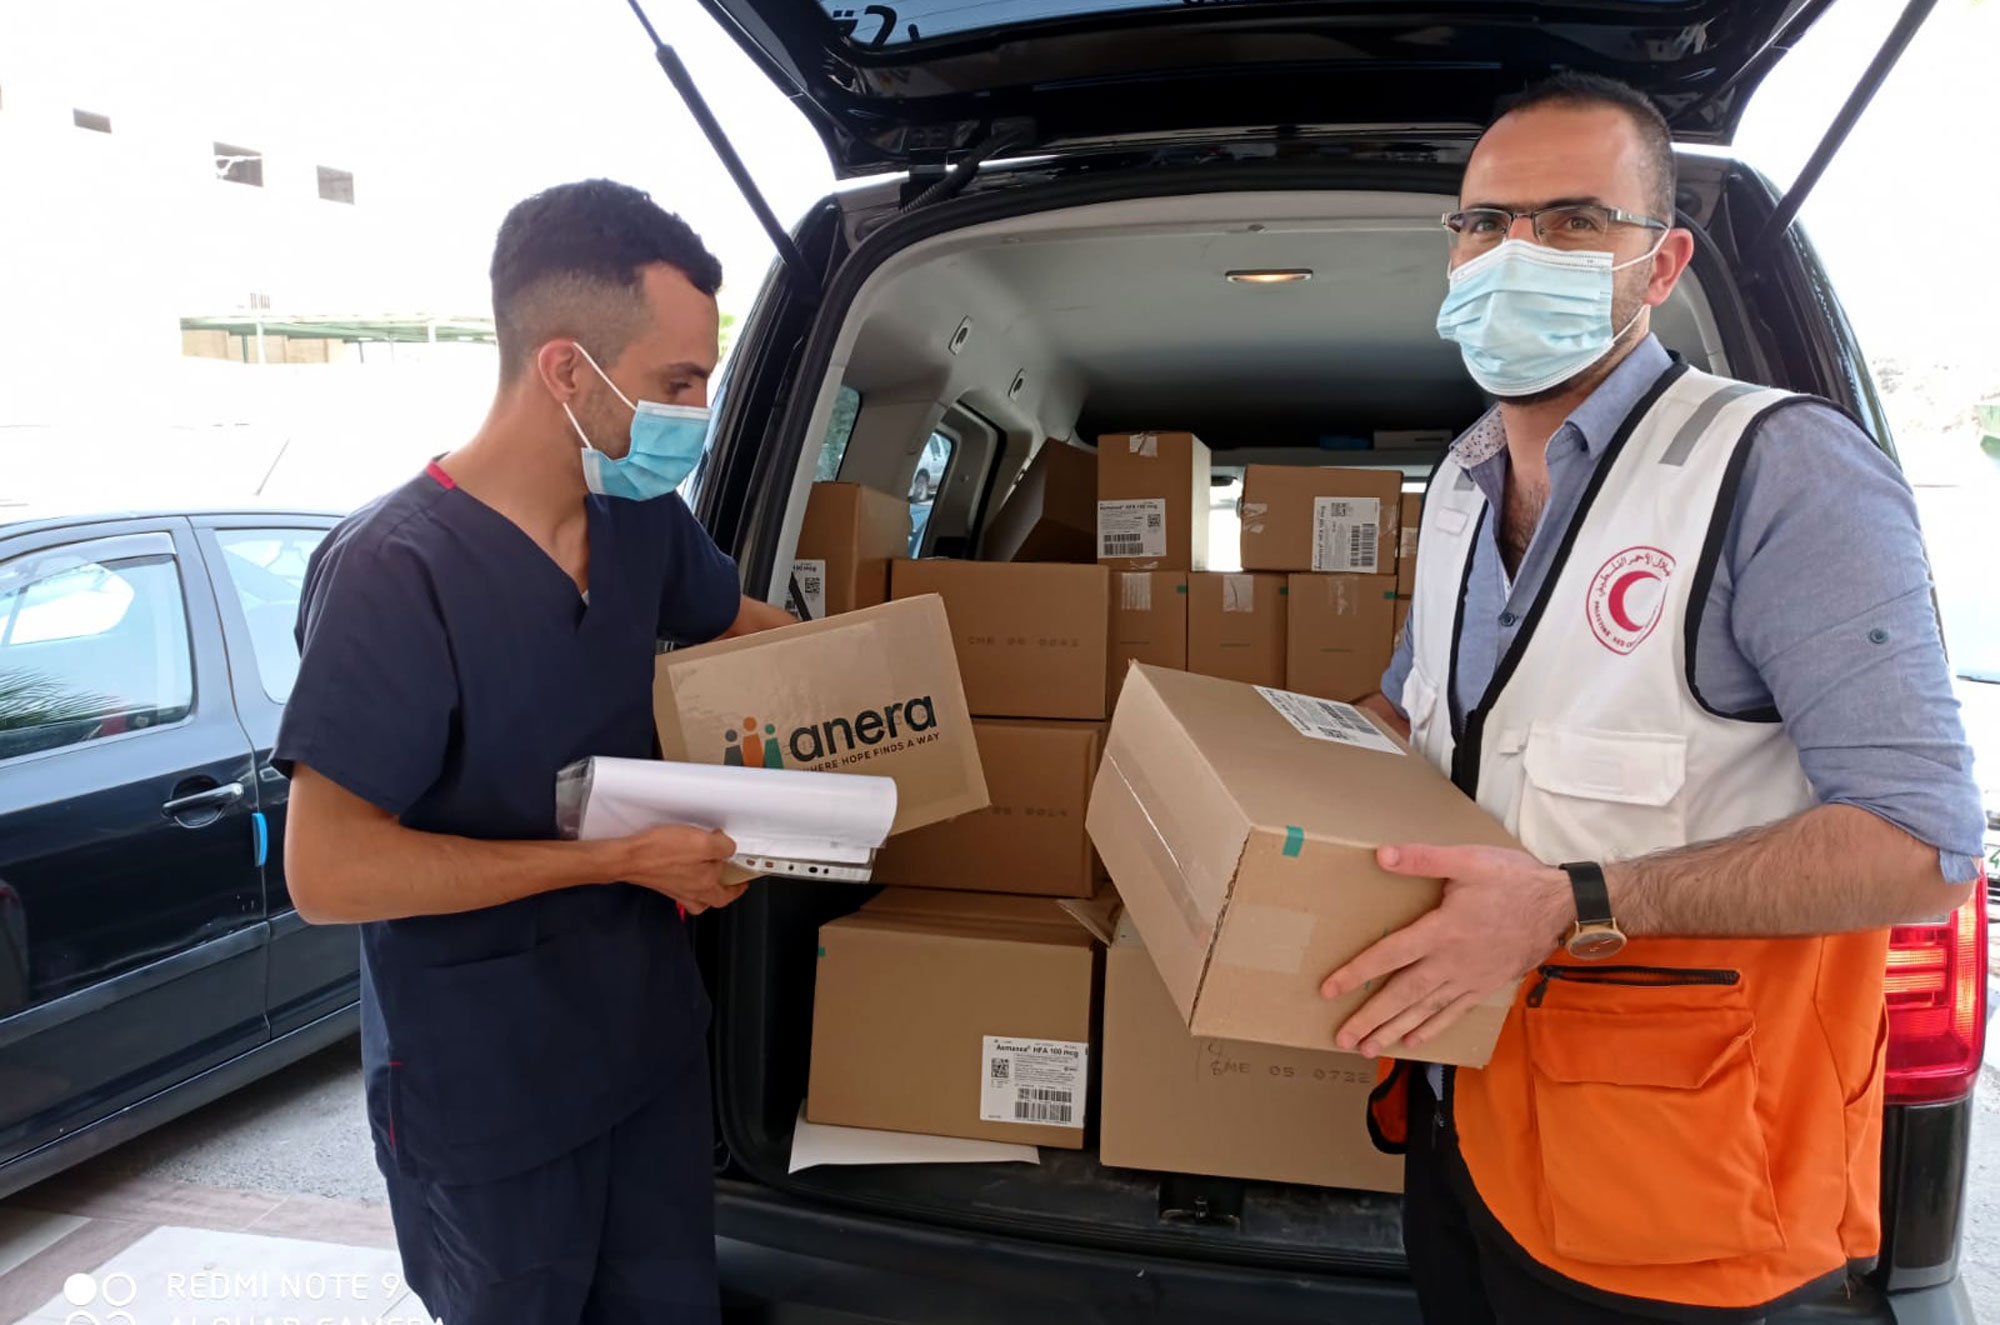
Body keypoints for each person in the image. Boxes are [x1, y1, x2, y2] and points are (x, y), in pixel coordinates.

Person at [1336, 75, 1986, 1323]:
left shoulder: (1777, 468)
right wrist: (1252, 770)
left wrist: (1568, 904)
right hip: (1463, 1120)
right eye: (1481, 223)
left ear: (1659, 260)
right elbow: (1421, 715)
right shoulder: (1463, 483)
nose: (1512, 252)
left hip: (1690, 1196)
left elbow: (1917, 849)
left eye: (1572, 220)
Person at [275, 179, 796, 1324]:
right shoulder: (393, 572)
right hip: (489, 1095)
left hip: (645, 1056)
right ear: (568, 370)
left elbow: (740, 628)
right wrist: (615, 862)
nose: (698, 410)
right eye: (676, 382)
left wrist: (893, 683)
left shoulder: (638, 520)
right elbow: (330, 872)